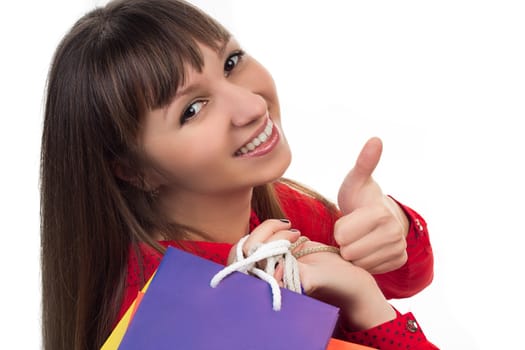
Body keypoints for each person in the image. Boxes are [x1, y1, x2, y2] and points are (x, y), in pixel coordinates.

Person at [40, 0, 437, 349]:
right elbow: (376, 294)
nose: (251, 105)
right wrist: (368, 304)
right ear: (132, 170)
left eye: (231, 63)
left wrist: (392, 227)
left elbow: (406, 277)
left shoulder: (280, 208)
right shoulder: (169, 314)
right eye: (192, 109)